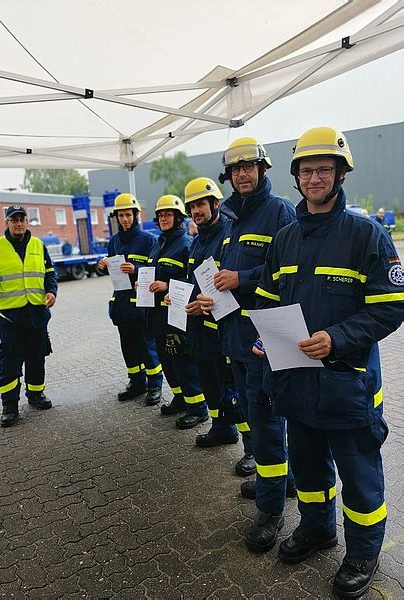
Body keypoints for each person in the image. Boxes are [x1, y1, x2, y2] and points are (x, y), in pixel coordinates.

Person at [253, 127, 404, 598]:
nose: (314, 176)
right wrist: (264, 338)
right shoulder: (284, 239)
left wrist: (336, 338)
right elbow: (266, 297)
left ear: (340, 174)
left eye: (324, 168)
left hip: (348, 386)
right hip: (297, 386)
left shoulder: (367, 235)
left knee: (359, 477)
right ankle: (318, 530)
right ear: (295, 176)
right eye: (306, 169)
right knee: (310, 471)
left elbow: (391, 305)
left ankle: (363, 551)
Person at [197, 137, 297, 551]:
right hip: (235, 338)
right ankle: (283, 481)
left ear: (263, 169)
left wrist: (243, 279)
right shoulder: (234, 219)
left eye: (248, 166)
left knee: (267, 425)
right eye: (235, 168)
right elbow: (226, 278)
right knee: (258, 421)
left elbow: (291, 276)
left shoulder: (280, 212)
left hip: (264, 339)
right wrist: (210, 300)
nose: (242, 173)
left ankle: (270, 508)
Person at [0, 205, 57, 427]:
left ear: (27, 222)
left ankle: (35, 395)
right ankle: (10, 406)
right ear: (7, 222)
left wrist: (51, 292)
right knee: (10, 361)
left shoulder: (39, 245)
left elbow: (50, 273)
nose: (19, 223)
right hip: (10, 316)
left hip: (37, 312)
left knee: (36, 356)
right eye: (14, 220)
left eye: (22, 219)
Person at [183, 177, 239, 447]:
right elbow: (196, 282)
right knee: (210, 384)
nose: (196, 211)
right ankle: (221, 428)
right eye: (192, 207)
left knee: (234, 390)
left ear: (215, 203)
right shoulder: (197, 240)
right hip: (201, 331)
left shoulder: (229, 235)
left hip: (225, 330)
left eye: (201, 204)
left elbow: (231, 283)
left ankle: (251, 446)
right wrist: (184, 297)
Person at [147, 194, 208, 429]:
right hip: (158, 316)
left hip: (178, 317)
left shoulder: (186, 244)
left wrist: (166, 286)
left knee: (184, 362)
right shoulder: (159, 243)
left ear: (178, 218)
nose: (163, 218)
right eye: (160, 215)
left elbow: (193, 280)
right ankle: (181, 398)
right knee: (167, 360)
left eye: (168, 214)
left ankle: (198, 408)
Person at [97, 193, 163, 405]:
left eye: (128, 215)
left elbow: (156, 271)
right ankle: (136, 382)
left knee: (146, 346)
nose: (125, 219)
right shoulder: (114, 241)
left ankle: (155, 384)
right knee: (128, 346)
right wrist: (102, 267)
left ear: (136, 215)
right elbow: (112, 273)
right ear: (116, 217)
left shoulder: (148, 241)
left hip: (142, 305)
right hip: (122, 305)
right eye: (121, 215)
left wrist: (137, 269)